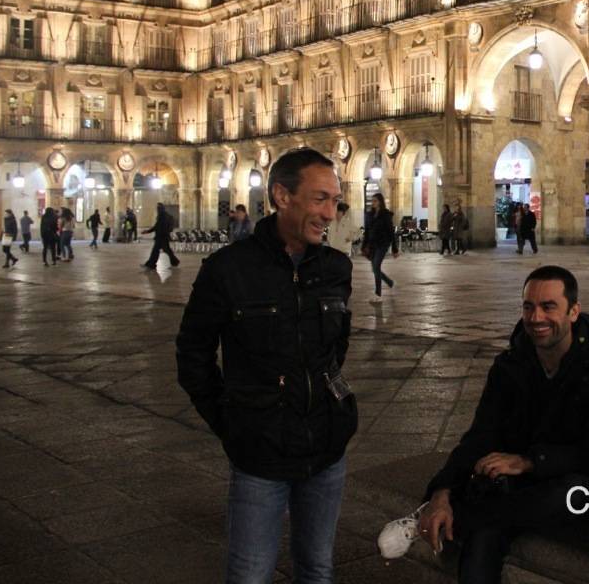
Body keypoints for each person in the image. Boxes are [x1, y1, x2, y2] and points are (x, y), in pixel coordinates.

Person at [378, 265, 589, 582]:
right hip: (523, 493)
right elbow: (481, 434)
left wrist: (531, 461)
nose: (536, 318)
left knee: (569, 490)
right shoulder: (511, 366)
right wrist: (441, 492)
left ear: (574, 312)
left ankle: (460, 518)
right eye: (529, 306)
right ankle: (459, 517)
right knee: (484, 538)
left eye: (549, 307)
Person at [176, 148, 355, 583]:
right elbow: (193, 355)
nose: (330, 213)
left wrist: (333, 406)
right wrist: (232, 421)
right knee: (250, 573)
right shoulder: (228, 269)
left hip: (326, 449)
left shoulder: (337, 268)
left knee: (317, 568)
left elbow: (335, 351)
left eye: (336, 200)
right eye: (320, 199)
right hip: (260, 455)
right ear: (281, 195)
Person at [362, 193, 398, 303]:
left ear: (380, 202)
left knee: (376, 266)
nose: (373, 203)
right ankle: (390, 283)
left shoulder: (386, 215)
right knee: (374, 269)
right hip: (373, 244)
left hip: (383, 244)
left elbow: (391, 232)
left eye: (375, 201)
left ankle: (378, 294)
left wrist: (394, 248)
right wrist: (364, 245)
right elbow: (367, 232)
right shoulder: (370, 215)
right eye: (372, 201)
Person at [141, 203, 180, 269]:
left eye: (158, 208)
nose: (157, 210)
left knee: (156, 251)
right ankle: (174, 262)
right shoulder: (167, 215)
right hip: (164, 236)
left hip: (161, 237)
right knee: (165, 250)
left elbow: (157, 227)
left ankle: (151, 264)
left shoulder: (162, 216)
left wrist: (147, 231)